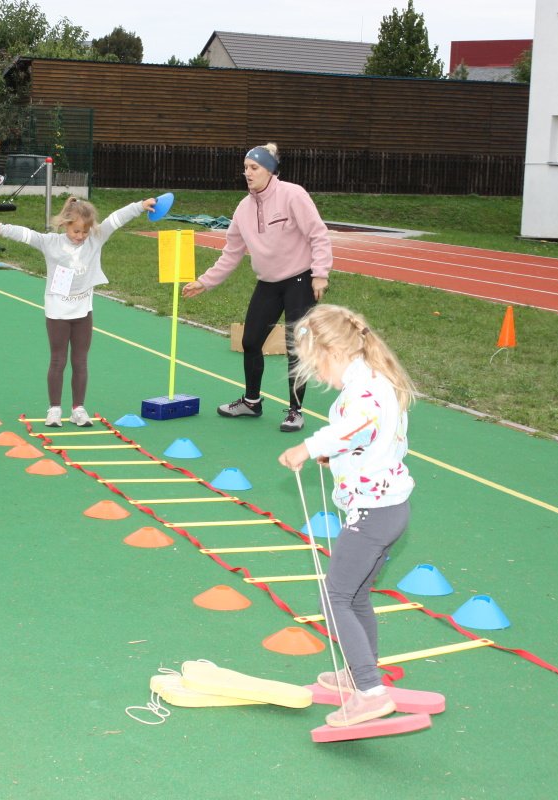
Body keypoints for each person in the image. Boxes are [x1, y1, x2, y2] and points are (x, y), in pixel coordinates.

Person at [277, 304, 416, 727]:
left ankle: (370, 691)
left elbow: (352, 428)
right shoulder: (373, 379)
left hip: (374, 514)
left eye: (317, 365)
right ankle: (361, 672)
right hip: (387, 508)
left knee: (335, 596)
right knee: (354, 596)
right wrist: (338, 457)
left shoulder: (365, 391)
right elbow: (372, 440)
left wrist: (308, 448)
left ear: (333, 351)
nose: (319, 376)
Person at [182, 142, 332, 433]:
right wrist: (205, 281)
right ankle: (251, 402)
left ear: (270, 170)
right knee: (250, 341)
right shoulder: (243, 208)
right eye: (245, 168)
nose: (247, 173)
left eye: (254, 168)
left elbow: (318, 234)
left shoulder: (293, 195)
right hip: (268, 283)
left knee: (296, 346)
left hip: (300, 280)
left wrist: (320, 274)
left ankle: (295, 411)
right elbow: (231, 253)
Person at [0, 195, 157, 427]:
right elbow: (26, 234)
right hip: (57, 312)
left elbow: (116, 219)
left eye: (85, 231)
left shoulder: (95, 239)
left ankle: (78, 409)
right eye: (76, 231)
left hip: (83, 311)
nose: (80, 236)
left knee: (80, 361)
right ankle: (54, 409)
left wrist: (140, 206)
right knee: (58, 360)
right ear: (65, 224)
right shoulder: (50, 243)